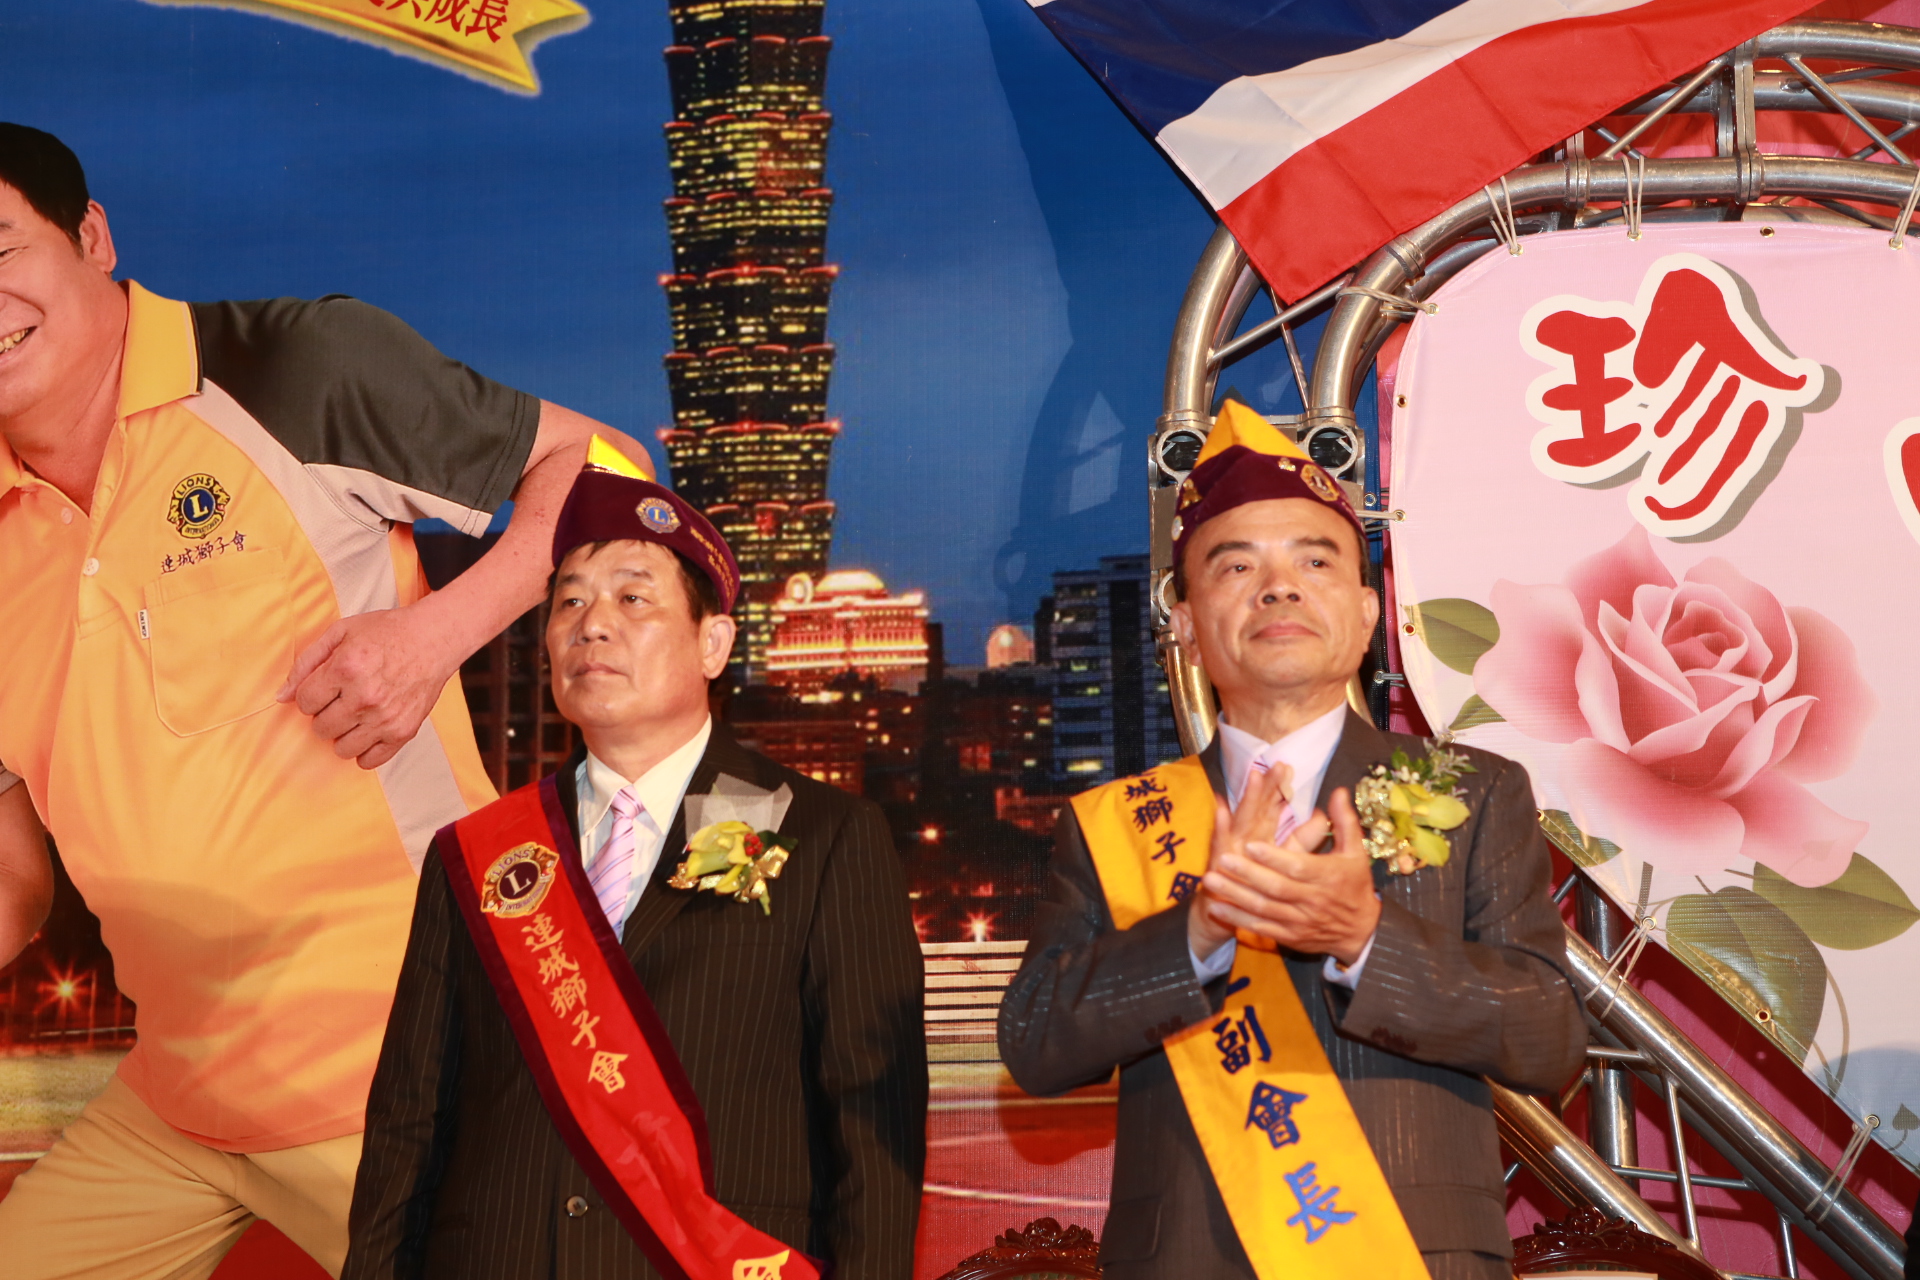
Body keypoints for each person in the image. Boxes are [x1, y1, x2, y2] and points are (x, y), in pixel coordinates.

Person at [0, 122, 647, 1277]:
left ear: (91, 236)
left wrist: (433, 635)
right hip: (181, 1097)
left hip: (415, 1071)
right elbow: (14, 878)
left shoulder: (289, 370)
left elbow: (609, 468)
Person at [998, 401, 1587, 1280]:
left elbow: (1550, 1038)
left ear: (1367, 612)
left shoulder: (1472, 792)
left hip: (1413, 1258)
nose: (1279, 587)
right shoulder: (1113, 823)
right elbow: (1035, 1041)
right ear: (1184, 622)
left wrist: (1365, 939)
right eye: (1237, 565)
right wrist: (1199, 931)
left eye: (1315, 561)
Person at [342, 444, 927, 1280]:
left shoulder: (824, 837)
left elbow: (874, 1136)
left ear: (713, 643)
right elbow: (408, 1124)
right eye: (569, 601)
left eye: (632, 597)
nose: (593, 623)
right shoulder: (478, 855)